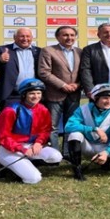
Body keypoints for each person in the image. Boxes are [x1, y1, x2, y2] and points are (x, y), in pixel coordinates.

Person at [0, 79, 62, 184]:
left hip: (30, 146)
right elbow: (4, 137)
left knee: (56, 156)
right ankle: (11, 168)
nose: (36, 96)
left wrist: (38, 143)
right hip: (11, 149)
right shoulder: (11, 110)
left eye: (38, 93)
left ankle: (25, 164)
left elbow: (45, 130)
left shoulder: (43, 109)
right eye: (32, 93)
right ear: (24, 94)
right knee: (34, 179)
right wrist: (22, 149)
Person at [64, 83, 110, 181]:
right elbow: (68, 126)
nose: (109, 101)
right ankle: (77, 170)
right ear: (96, 98)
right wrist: (94, 129)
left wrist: (107, 152)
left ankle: (106, 161)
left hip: (106, 147)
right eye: (105, 98)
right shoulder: (83, 109)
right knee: (75, 134)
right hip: (89, 147)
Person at [37, 26, 82, 155]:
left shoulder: (80, 51)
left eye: (72, 35)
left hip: (74, 94)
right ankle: (54, 153)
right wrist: (62, 85)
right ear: (57, 37)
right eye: (65, 35)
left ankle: (68, 153)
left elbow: (83, 72)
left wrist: (78, 85)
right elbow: (44, 72)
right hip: (54, 94)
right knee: (52, 126)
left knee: (71, 125)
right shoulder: (48, 50)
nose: (69, 38)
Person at [0, 27, 41, 111]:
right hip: (11, 94)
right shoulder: (2, 50)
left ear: (32, 38)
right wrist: (0, 60)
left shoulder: (39, 51)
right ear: (14, 37)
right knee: (8, 122)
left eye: (28, 36)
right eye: (22, 36)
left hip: (33, 94)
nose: (25, 39)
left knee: (31, 122)